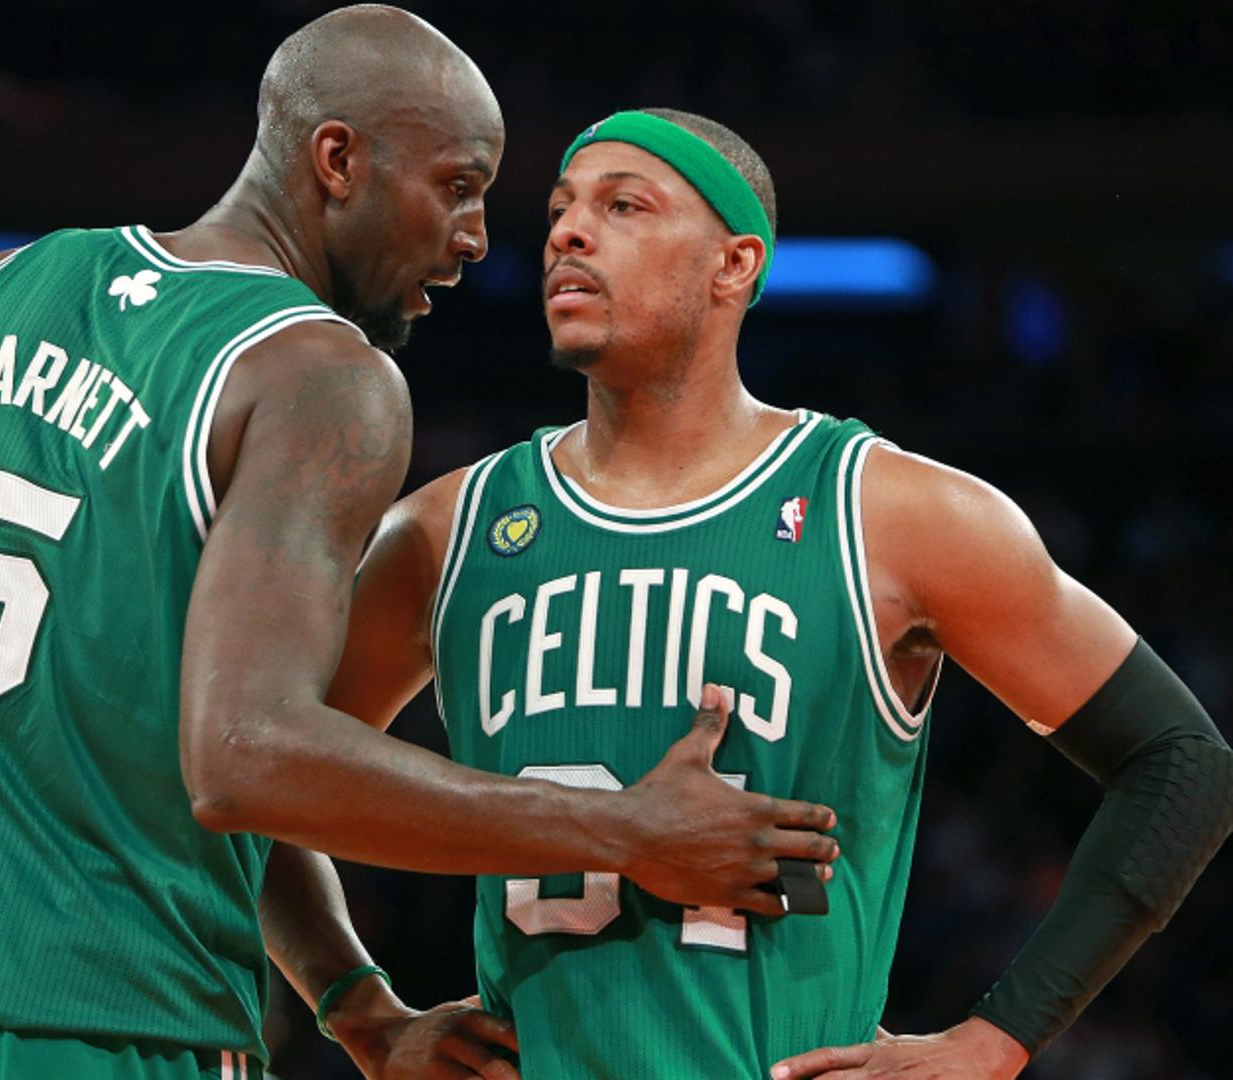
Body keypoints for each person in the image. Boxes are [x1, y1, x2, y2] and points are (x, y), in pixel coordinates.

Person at [0, 9, 846, 1076]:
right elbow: (248, 757)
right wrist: (624, 830)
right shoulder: (322, 374)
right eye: (457, 187)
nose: (477, 238)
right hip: (105, 1026)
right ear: (337, 161)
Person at [325, 108, 1233, 1079]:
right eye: (559, 209)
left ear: (735, 264)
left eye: (623, 206)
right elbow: (256, 772)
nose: (568, 233)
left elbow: (1184, 765)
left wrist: (993, 1043)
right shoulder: (444, 530)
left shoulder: (891, 512)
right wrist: (359, 1010)